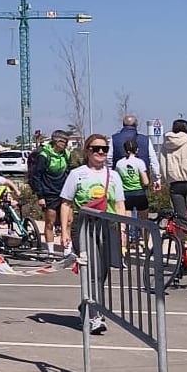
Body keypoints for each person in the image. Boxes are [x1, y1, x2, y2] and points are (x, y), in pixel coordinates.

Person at [60, 134, 127, 334]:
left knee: (103, 271)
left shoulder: (113, 175)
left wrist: (122, 229)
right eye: (96, 149)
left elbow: (120, 204)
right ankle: (94, 315)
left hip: (108, 226)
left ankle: (87, 305)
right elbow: (66, 203)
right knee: (91, 271)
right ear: (87, 151)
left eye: (104, 149)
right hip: (85, 227)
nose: (100, 153)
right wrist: (64, 231)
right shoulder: (77, 174)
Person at [29, 131, 73, 256]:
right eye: (64, 142)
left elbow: (68, 172)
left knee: (68, 221)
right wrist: (40, 196)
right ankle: (51, 252)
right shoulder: (44, 155)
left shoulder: (67, 155)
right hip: (49, 192)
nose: (66, 144)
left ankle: (67, 250)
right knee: (50, 222)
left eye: (67, 142)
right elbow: (36, 176)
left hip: (64, 192)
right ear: (56, 141)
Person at [160, 119, 187, 221]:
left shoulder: (166, 145)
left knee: (180, 216)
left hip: (175, 183)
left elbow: (162, 165)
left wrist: (168, 179)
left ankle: (181, 236)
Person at [110, 115, 162, 190]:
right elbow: (153, 161)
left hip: (120, 182)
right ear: (136, 125)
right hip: (141, 182)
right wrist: (156, 179)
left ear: (123, 125)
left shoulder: (114, 139)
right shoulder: (145, 140)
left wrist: (110, 178)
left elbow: (109, 160)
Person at [115, 139, 150, 222]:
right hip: (139, 194)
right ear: (137, 149)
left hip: (126, 194)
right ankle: (143, 235)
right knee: (144, 222)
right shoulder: (139, 162)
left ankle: (128, 235)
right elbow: (146, 182)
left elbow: (117, 179)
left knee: (127, 221)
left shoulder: (119, 163)